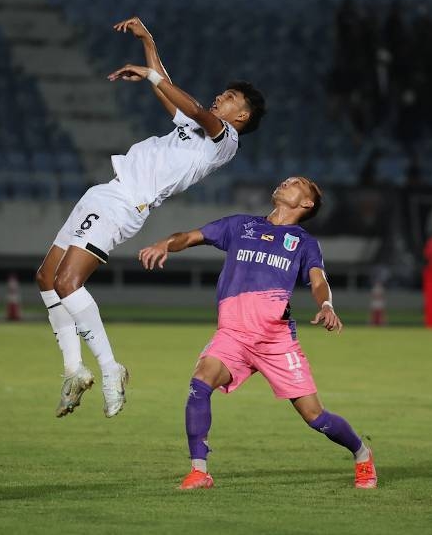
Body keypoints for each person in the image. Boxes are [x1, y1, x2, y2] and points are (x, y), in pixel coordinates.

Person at [36, 15, 266, 419]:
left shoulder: (225, 141)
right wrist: (148, 42)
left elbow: (190, 103)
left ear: (241, 116)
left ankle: (111, 369)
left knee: (69, 284)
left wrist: (152, 76)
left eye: (230, 97)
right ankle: (73, 370)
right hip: (105, 192)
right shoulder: (193, 128)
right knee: (47, 278)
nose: (220, 97)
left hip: (125, 203)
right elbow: (173, 95)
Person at [138, 176, 377, 490]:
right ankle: (199, 471)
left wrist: (327, 305)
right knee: (200, 381)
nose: (285, 182)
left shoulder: (303, 242)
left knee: (315, 416)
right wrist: (165, 243)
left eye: (296, 183)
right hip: (233, 335)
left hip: (275, 340)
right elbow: (191, 236)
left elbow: (318, 281)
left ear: (307, 203)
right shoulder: (241, 226)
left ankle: (362, 454)